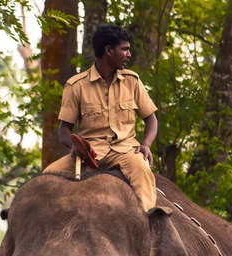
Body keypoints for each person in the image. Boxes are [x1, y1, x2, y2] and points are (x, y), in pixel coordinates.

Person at [44, 24, 158, 212]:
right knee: (47, 177)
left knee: (142, 171)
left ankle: (145, 222)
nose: (129, 54)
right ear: (108, 50)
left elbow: (151, 119)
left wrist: (146, 144)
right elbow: (64, 130)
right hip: (90, 153)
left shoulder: (132, 81)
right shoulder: (76, 85)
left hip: (125, 151)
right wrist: (75, 148)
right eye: (125, 49)